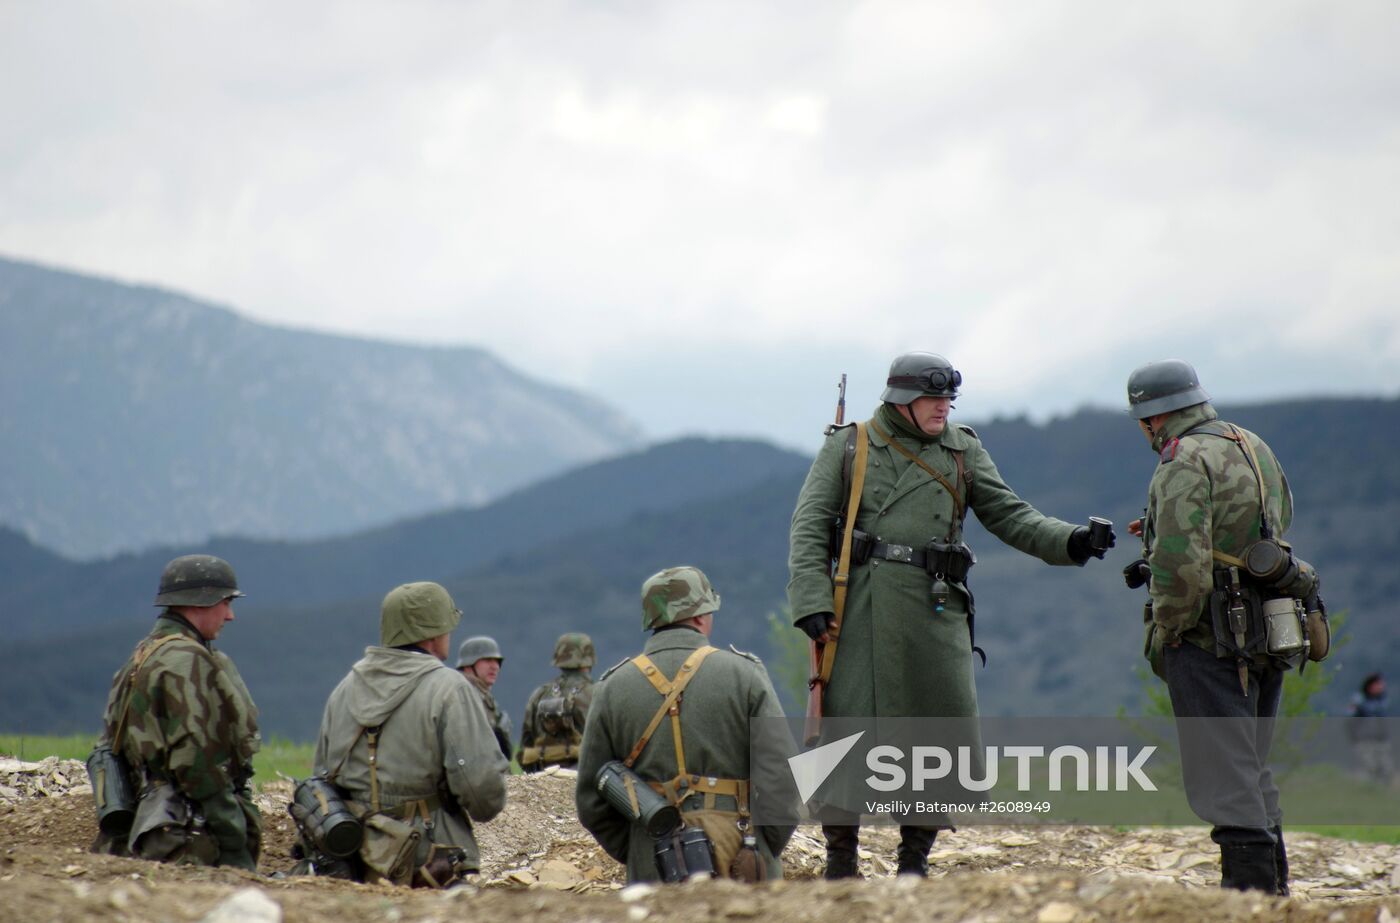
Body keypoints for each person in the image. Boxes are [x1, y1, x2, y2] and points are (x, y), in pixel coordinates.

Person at [788, 352, 1115, 878]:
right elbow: (809, 527)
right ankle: (840, 861)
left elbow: (1010, 515)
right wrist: (811, 601)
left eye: (948, 399)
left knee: (935, 734)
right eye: (933, 398)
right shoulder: (850, 446)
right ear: (902, 402)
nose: (944, 407)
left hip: (934, 610)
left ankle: (914, 863)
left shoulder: (962, 449)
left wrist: (1072, 541)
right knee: (841, 734)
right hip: (859, 609)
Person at [1126, 358, 1303, 895]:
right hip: (1272, 622)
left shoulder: (1182, 458)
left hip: (1213, 633)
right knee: (1248, 762)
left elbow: (1181, 567)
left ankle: (1248, 901)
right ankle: (1273, 896)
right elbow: (1280, 518)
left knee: (1222, 772)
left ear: (1150, 418)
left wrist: (1169, 632)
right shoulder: (1250, 443)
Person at [576, 566, 796, 882]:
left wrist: (640, 851)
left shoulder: (611, 688)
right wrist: (763, 845)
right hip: (740, 856)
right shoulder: (744, 675)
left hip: (653, 860)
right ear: (699, 617)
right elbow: (784, 780)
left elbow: (591, 800)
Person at [312, 581, 508, 886]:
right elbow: (483, 796)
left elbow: (321, 781)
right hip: (431, 860)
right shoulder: (451, 689)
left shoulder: (344, 690)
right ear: (432, 632)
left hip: (353, 861)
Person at [92, 554, 261, 869]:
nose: (230, 615)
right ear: (200, 602)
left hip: (149, 825)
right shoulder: (186, 662)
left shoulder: (145, 653)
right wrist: (234, 840)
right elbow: (199, 766)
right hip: (185, 833)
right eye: (225, 602)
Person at [518, 632, 595, 772]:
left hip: (543, 778)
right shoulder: (597, 693)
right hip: (585, 781)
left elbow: (525, 747)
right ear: (589, 659)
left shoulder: (539, 694)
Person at [455, 636, 513, 761]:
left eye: (497, 661)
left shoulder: (482, 695)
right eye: (487, 660)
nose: (495, 666)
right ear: (468, 665)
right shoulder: (463, 694)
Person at [1347, 673, 1394, 785]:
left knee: (1386, 770)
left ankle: (1381, 794)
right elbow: (1350, 721)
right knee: (1368, 770)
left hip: (1381, 741)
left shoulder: (1382, 700)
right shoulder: (1359, 700)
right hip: (1365, 742)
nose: (1382, 687)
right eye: (1379, 684)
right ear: (1371, 685)